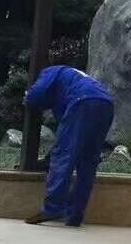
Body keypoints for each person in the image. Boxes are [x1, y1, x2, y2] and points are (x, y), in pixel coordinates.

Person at [23, 65, 115, 228]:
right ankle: (75, 214)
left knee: (64, 154)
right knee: (88, 161)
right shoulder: (74, 77)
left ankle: (53, 208)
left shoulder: (51, 71)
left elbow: (37, 93)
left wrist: (28, 97)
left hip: (82, 101)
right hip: (106, 103)